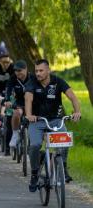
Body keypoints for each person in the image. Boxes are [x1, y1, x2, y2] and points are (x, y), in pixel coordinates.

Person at [25, 59, 81, 192]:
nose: (38, 73)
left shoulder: (58, 81)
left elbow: (73, 97)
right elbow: (28, 99)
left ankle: (64, 168)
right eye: (36, 71)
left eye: (41, 70)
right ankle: (34, 173)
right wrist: (29, 114)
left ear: (48, 70)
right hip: (37, 120)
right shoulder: (32, 82)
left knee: (65, 141)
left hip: (56, 120)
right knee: (35, 145)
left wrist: (77, 112)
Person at [5, 60, 33, 149]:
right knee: (16, 113)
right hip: (20, 102)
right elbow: (8, 90)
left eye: (20, 70)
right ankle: (15, 134)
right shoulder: (13, 78)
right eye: (16, 71)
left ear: (26, 69)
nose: (17, 73)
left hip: (32, 102)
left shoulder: (33, 78)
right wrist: (7, 100)